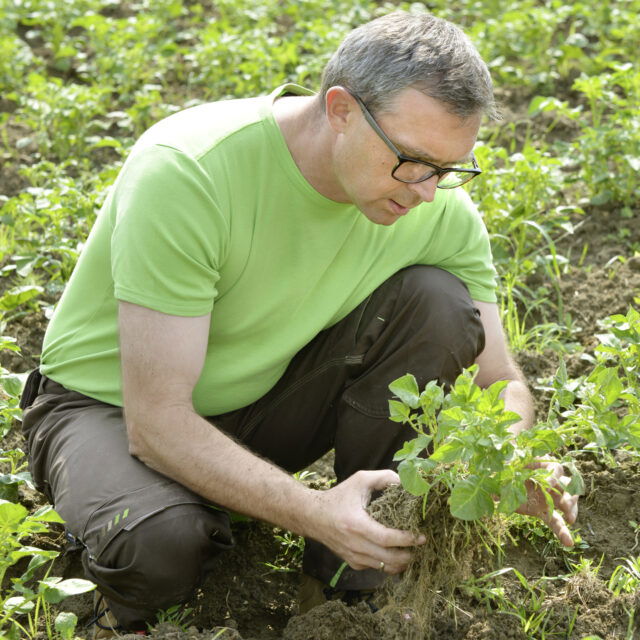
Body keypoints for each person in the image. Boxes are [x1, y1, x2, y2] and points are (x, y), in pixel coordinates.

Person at [19, 10, 578, 636]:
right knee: (159, 542)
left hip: (261, 404)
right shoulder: (191, 169)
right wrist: (312, 509)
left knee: (438, 304)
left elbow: (500, 377)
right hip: (110, 412)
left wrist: (508, 459)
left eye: (448, 169)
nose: (427, 191)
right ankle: (123, 562)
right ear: (340, 110)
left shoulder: (436, 206)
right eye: (413, 160)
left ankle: (343, 595)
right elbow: (156, 422)